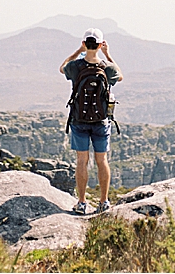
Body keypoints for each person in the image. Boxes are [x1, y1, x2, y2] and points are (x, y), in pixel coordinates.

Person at [59, 28, 123, 214]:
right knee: (102, 160)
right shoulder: (106, 68)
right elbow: (119, 74)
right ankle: (103, 202)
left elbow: (62, 67)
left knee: (82, 160)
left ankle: (81, 202)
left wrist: (79, 51)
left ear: (85, 43)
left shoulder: (76, 66)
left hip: (79, 120)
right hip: (101, 121)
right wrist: (108, 55)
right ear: (101, 44)